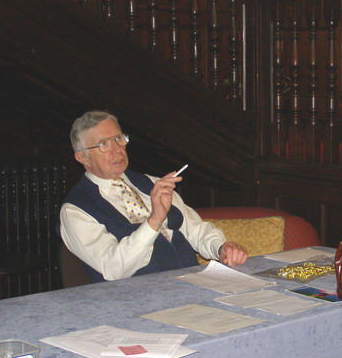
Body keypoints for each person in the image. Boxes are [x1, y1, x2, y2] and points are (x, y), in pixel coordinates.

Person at [59, 111, 248, 282]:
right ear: (82, 158)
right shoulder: (76, 210)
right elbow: (114, 268)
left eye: (119, 139)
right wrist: (154, 220)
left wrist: (221, 247)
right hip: (136, 302)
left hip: (191, 286)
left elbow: (195, 229)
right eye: (104, 144)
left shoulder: (152, 183)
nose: (117, 149)